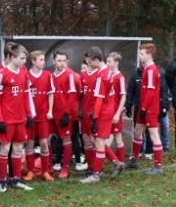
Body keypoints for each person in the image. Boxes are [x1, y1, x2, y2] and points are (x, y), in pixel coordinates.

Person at [0, 42, 35, 192]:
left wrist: (29, 114)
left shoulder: (24, 72)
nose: (24, 62)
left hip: (20, 118)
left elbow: (25, 94)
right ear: (12, 58)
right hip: (7, 119)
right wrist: (0, 119)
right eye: (22, 58)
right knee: (5, 148)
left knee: (18, 148)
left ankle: (16, 179)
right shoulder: (2, 73)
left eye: (25, 59)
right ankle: (3, 180)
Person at [79, 47, 126, 183]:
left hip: (103, 113)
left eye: (90, 61)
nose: (88, 63)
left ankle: (96, 175)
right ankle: (116, 162)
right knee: (96, 141)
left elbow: (99, 99)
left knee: (99, 142)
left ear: (96, 60)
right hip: (107, 110)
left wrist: (95, 118)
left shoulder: (101, 75)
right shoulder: (107, 72)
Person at [127, 43, 164, 175]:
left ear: (149, 55)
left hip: (150, 109)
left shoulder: (150, 70)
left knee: (154, 135)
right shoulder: (148, 69)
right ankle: (134, 160)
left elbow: (150, 92)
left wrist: (143, 108)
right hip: (145, 108)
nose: (140, 56)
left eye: (142, 54)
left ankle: (158, 166)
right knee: (137, 132)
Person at [24, 50, 55, 182]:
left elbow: (51, 94)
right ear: (33, 61)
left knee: (44, 142)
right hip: (30, 116)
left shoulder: (47, 75)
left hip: (43, 115)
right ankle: (30, 171)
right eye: (41, 59)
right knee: (30, 143)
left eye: (44, 59)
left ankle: (45, 171)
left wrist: (50, 111)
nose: (43, 62)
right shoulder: (26, 75)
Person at [50, 50, 80, 179]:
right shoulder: (51, 76)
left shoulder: (70, 75)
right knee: (50, 140)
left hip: (65, 115)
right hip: (52, 114)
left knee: (66, 140)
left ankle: (65, 168)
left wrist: (67, 114)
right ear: (54, 61)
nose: (61, 63)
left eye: (64, 61)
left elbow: (73, 96)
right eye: (59, 61)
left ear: (67, 61)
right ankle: (50, 166)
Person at [106, 52, 129, 166]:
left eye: (109, 61)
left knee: (111, 139)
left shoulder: (120, 77)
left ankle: (118, 162)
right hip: (108, 112)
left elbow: (123, 96)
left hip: (115, 113)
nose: (107, 63)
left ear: (116, 63)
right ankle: (120, 163)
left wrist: (118, 113)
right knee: (117, 137)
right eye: (107, 61)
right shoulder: (108, 75)